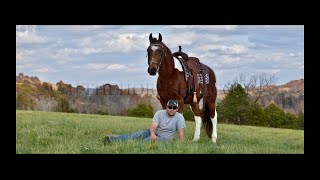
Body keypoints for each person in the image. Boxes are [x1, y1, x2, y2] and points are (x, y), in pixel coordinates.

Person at [104, 99, 186, 145]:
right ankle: (112, 140)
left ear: (177, 109)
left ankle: (131, 147)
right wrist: (153, 134)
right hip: (154, 133)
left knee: (145, 141)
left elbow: (181, 133)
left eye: (174, 107)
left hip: (165, 138)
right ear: (166, 107)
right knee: (135, 135)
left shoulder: (179, 117)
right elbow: (153, 126)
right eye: (170, 107)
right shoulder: (159, 113)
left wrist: (180, 145)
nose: (172, 109)